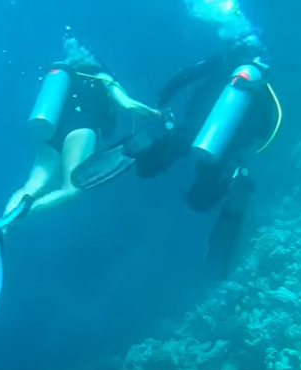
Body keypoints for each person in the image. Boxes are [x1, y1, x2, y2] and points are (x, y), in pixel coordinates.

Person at [72, 28, 281, 279]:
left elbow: (184, 76)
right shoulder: (261, 82)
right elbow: (267, 128)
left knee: (150, 166)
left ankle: (140, 145)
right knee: (199, 200)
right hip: (225, 148)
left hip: (191, 128)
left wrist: (163, 98)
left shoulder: (222, 60)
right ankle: (238, 185)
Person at [0, 33, 161, 241]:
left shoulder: (66, 76)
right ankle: (20, 216)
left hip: (52, 129)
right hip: (82, 127)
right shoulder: (101, 76)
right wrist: (153, 113)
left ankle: (2, 225)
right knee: (71, 190)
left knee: (32, 185)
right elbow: (127, 104)